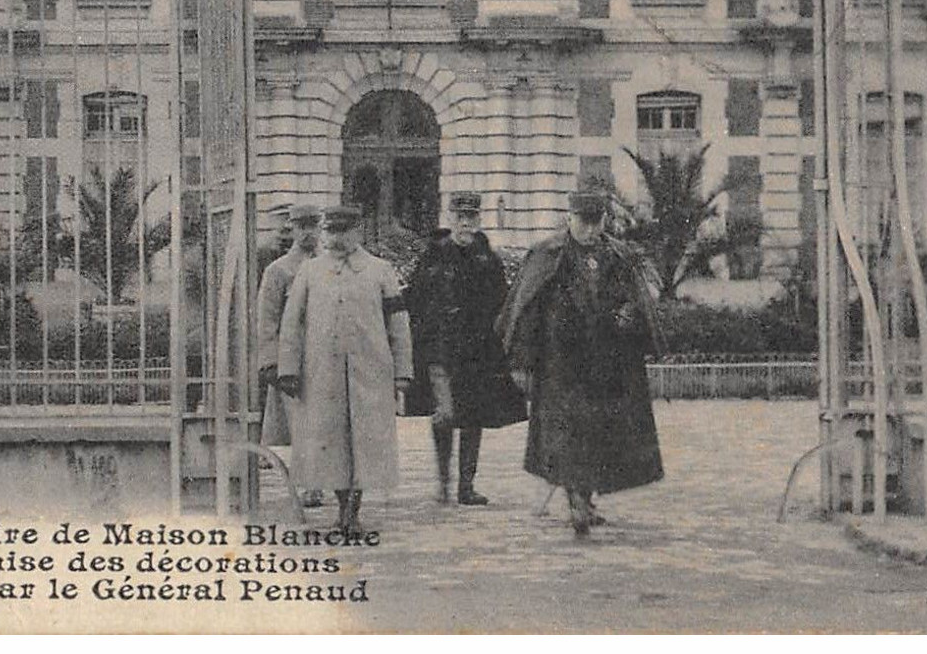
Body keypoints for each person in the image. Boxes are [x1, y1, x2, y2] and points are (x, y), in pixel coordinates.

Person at [497, 190, 664, 536]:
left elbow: (636, 299)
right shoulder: (548, 255)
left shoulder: (617, 255)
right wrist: (521, 363)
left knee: (598, 434)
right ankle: (576, 502)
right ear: (569, 218)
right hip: (560, 365)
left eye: (596, 222)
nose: (590, 229)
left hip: (605, 364)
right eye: (583, 222)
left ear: (604, 220)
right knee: (567, 435)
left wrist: (627, 315)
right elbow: (526, 311)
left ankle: (585, 498)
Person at [277, 204, 413, 535]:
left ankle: (355, 509)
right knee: (330, 442)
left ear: (358, 232)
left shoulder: (381, 271)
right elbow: (291, 323)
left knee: (366, 443)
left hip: (371, 373)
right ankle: (341, 508)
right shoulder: (310, 272)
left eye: (344, 232)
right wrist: (288, 370)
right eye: (332, 232)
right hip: (322, 374)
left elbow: (398, 324)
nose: (337, 239)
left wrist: (402, 372)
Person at [402, 192, 527, 505]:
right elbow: (414, 300)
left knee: (472, 418)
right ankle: (444, 481)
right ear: (450, 218)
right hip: (440, 351)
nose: (465, 224)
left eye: (471, 217)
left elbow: (503, 305)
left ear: (479, 220)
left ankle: (466, 487)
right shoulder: (433, 256)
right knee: (444, 414)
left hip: (477, 353)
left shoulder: (489, 260)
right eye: (460, 217)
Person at [254, 202, 324, 509]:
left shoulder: (330, 265)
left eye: (313, 225)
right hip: (292, 361)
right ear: (293, 229)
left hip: (326, 358)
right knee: (301, 425)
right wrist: (271, 362)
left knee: (322, 423)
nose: (309, 232)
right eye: (302, 226)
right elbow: (267, 321)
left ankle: (320, 482)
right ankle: (309, 485)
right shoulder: (278, 270)